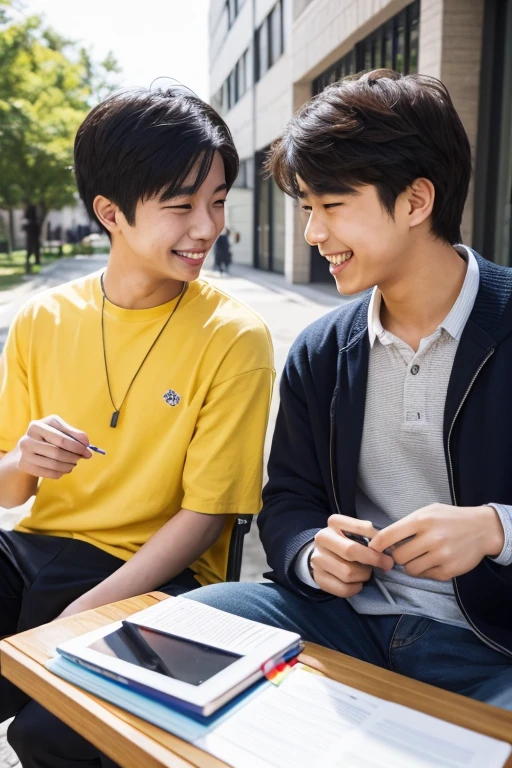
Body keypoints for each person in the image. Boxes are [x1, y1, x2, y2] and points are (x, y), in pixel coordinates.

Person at [185, 69, 512, 712]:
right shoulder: (321, 349)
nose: (313, 233)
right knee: (174, 632)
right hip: (341, 622)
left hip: (495, 646)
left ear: (416, 202)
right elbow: (287, 501)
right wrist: (311, 554)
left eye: (332, 206)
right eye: (308, 208)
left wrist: (495, 531)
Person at [2, 87, 274, 766]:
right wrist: (25, 459)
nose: (207, 227)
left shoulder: (234, 336)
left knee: (55, 735)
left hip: (159, 576)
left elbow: (207, 518)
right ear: (110, 213)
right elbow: (9, 493)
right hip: (36, 550)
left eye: (216, 201)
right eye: (181, 206)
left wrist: (80, 616)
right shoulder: (41, 319)